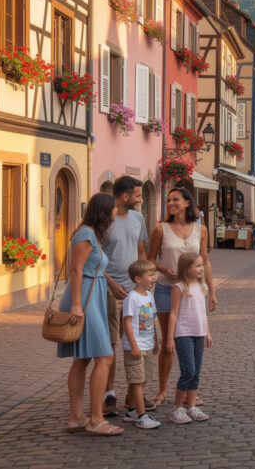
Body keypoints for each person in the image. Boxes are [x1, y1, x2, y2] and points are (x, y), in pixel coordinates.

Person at [146, 187, 217, 409]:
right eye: (168, 200)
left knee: (193, 340)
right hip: (167, 290)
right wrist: (164, 269)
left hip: (194, 291)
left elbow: (204, 261)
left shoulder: (201, 230)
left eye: (175, 199)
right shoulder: (161, 229)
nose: (170, 203)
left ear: (187, 203)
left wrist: (211, 291)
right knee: (169, 344)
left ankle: (188, 391)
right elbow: (150, 260)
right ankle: (162, 390)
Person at [59, 193, 123, 436]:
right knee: (104, 357)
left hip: (92, 293)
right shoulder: (86, 233)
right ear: (104, 211)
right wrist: (76, 305)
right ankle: (95, 419)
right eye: (114, 209)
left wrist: (112, 284)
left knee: (83, 359)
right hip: (84, 298)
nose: (116, 213)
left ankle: (76, 417)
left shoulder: (92, 234)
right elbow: (75, 270)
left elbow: (92, 266)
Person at [101, 176, 148, 418]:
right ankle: (109, 395)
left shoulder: (138, 218)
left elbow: (141, 252)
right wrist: (111, 282)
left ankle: (134, 394)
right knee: (110, 345)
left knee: (136, 344)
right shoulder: (105, 219)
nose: (140, 200)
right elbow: (96, 255)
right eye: (138, 196)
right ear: (125, 196)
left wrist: (144, 286)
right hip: (110, 292)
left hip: (134, 293)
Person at [166, 252, 213, 424]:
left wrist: (207, 331)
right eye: (198, 266)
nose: (202, 269)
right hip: (183, 333)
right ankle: (177, 408)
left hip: (199, 332)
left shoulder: (202, 287)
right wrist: (170, 338)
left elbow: (203, 312)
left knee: (196, 373)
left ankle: (192, 406)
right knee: (188, 371)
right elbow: (173, 313)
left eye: (202, 265)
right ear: (187, 268)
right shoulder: (179, 287)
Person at [120, 260, 161, 429]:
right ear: (138, 279)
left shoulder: (149, 296)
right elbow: (127, 323)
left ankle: (131, 409)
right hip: (135, 346)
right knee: (137, 381)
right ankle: (141, 416)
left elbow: (152, 319)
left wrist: (155, 340)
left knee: (142, 378)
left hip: (147, 343)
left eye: (154, 274)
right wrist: (134, 345)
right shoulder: (132, 298)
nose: (154, 277)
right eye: (150, 275)